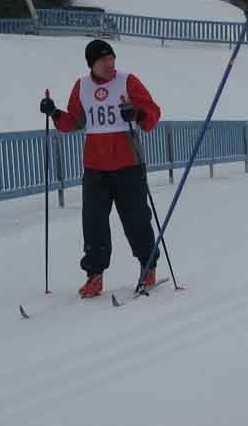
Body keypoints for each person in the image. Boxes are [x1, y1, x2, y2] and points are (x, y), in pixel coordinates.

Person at [39, 39, 161, 298]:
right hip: (95, 166)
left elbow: (152, 114)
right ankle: (94, 275)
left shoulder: (128, 81)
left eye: (111, 58)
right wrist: (54, 113)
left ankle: (147, 266)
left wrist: (136, 115)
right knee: (93, 222)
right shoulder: (81, 86)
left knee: (136, 219)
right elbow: (74, 121)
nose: (109, 64)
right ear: (91, 64)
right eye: (102, 60)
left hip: (128, 163)